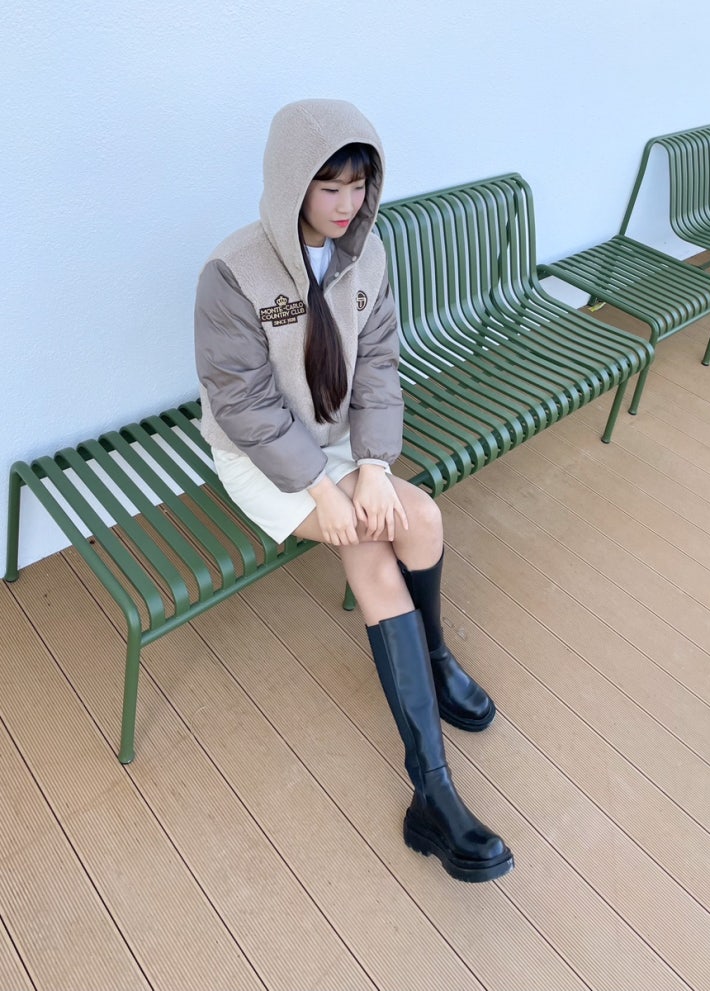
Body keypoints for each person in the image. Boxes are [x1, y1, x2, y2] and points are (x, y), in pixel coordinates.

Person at [195, 99, 514, 882]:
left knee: (421, 516)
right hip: (262, 456)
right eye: (328, 186)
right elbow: (242, 403)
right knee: (374, 546)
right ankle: (432, 792)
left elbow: (377, 366)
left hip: (339, 438)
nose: (346, 205)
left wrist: (371, 466)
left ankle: (431, 659)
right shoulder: (232, 273)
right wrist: (320, 488)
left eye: (358, 185)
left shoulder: (367, 255)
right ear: (291, 182)